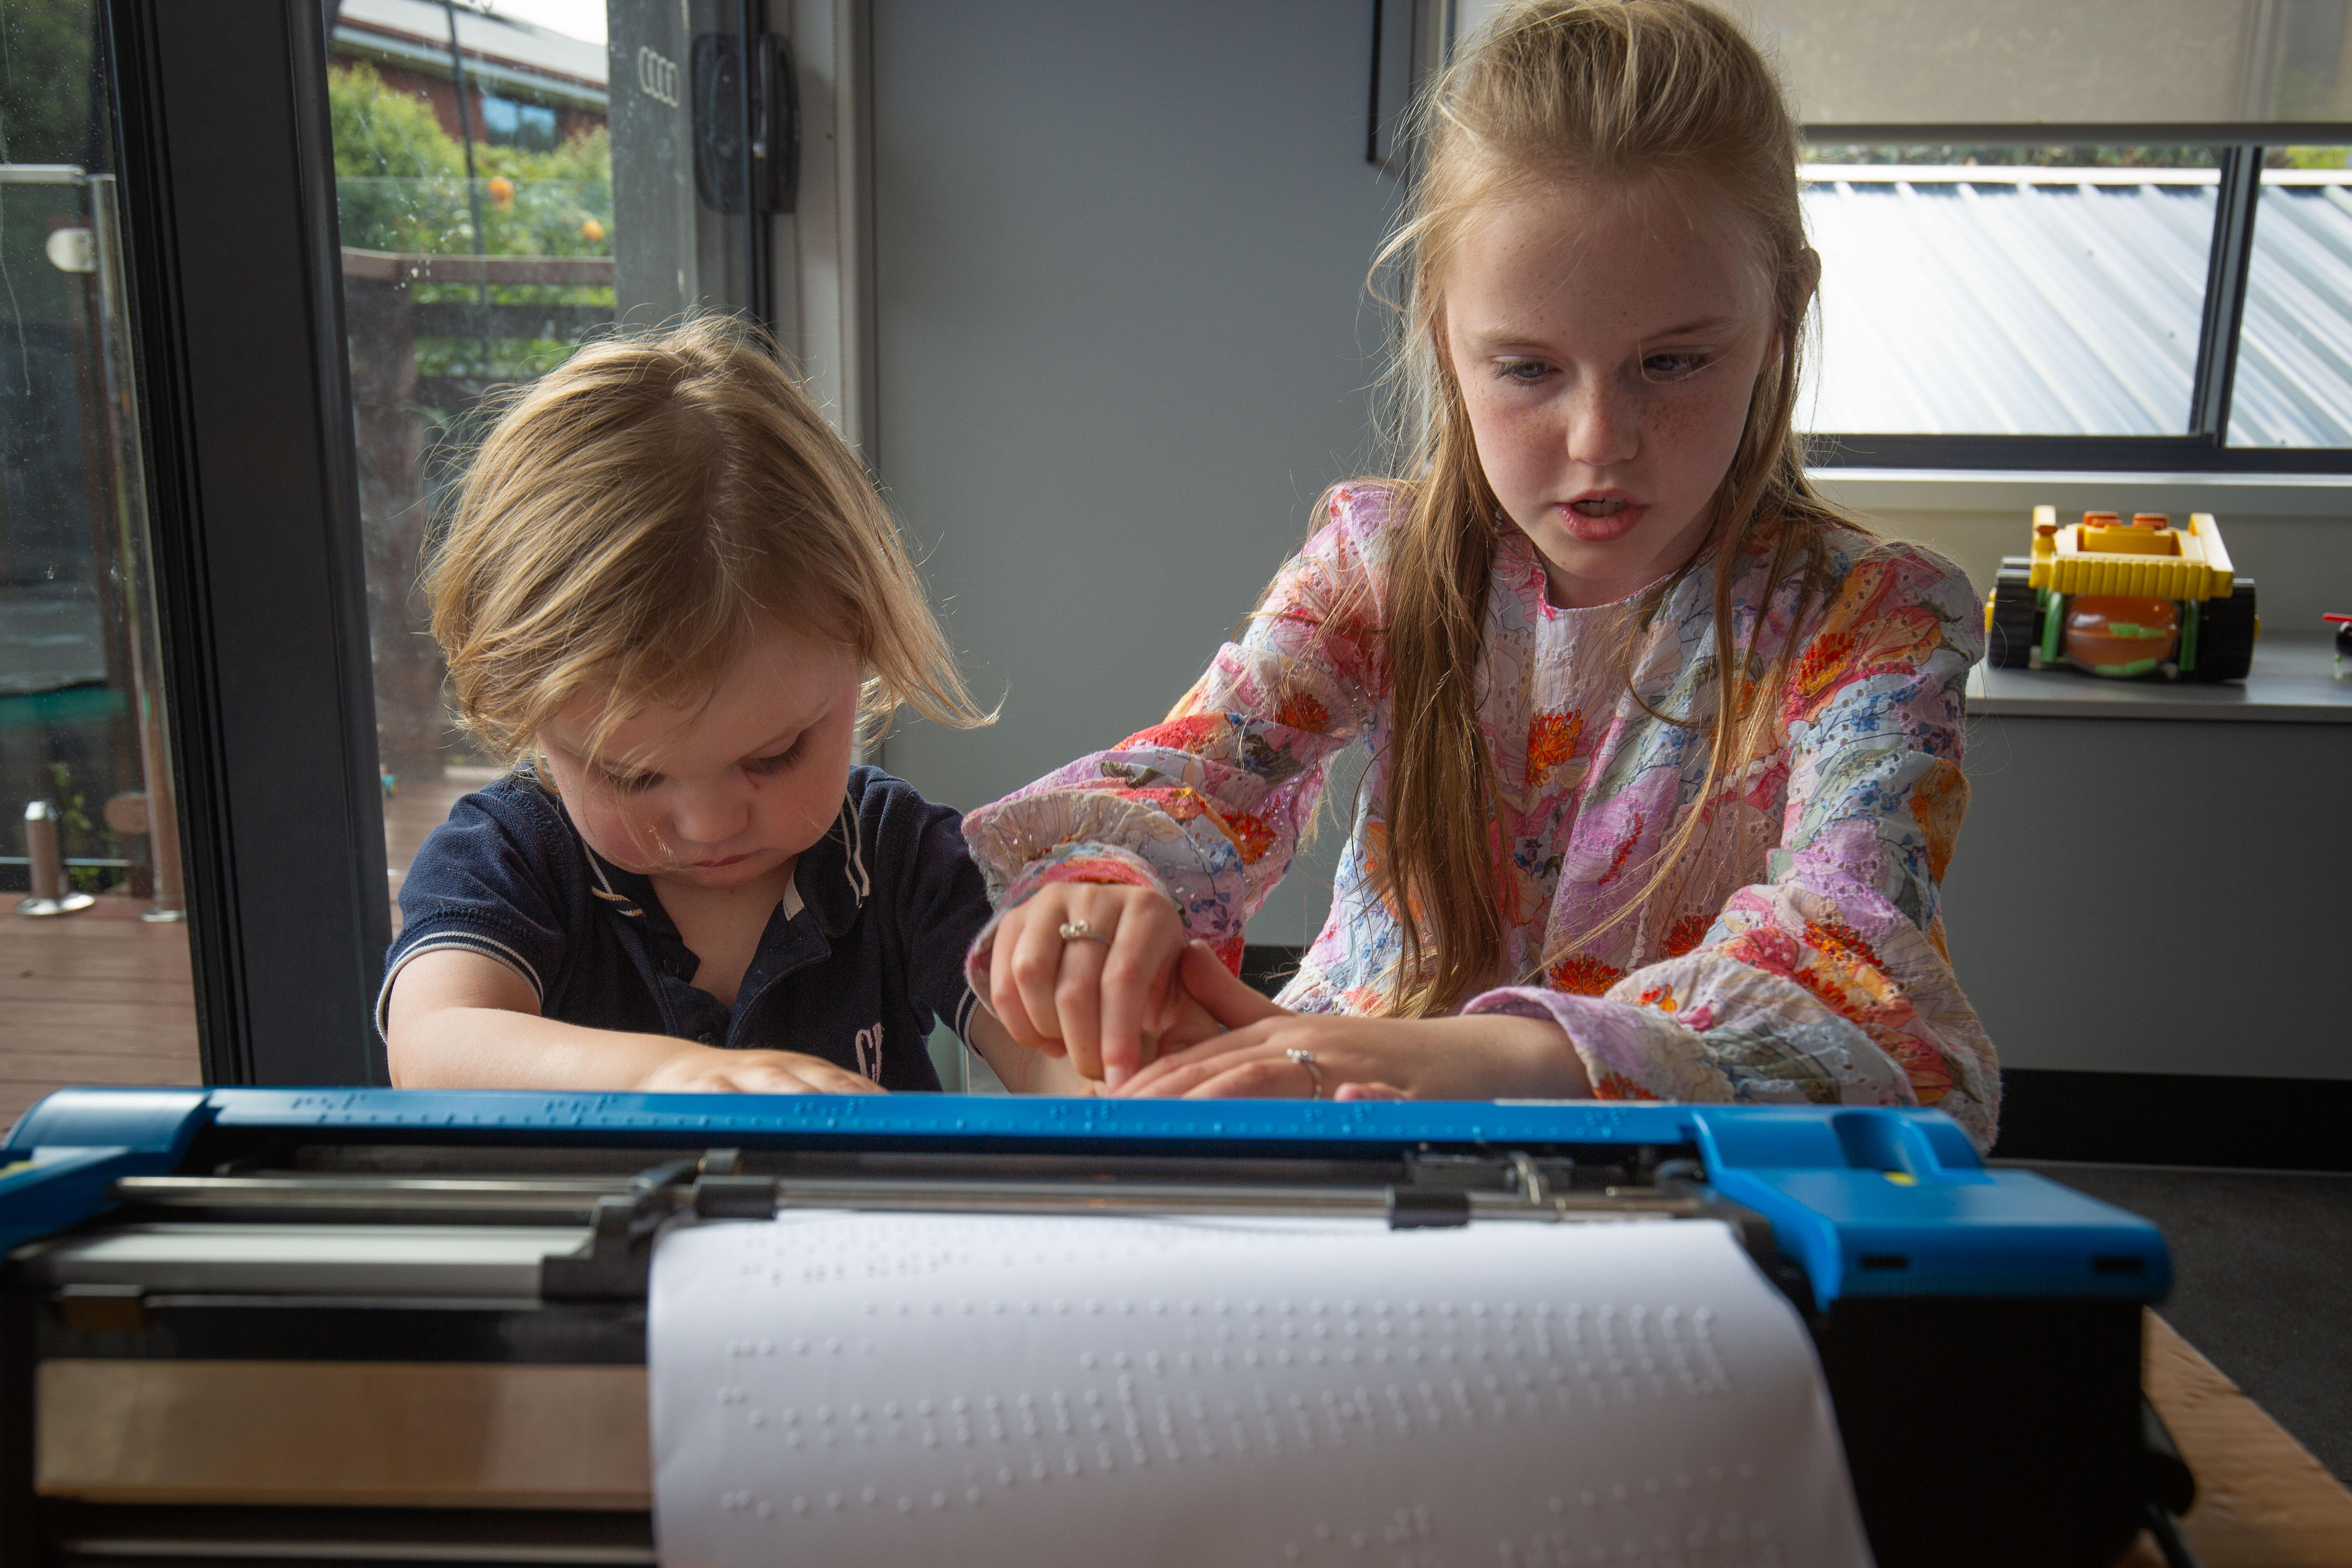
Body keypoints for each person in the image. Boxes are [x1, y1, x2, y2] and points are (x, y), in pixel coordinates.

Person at [961, 0, 1998, 1147]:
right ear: (1444, 334)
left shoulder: (1874, 623)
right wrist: (1106, 888)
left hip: (1663, 1187)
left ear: (1784, 311)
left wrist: (1480, 1056)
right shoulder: (1379, 568)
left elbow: (1855, 974)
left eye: (1672, 361)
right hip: (1340, 1127)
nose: (1599, 437)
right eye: (1527, 367)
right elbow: (1196, 776)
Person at [382, 318, 1087, 1096]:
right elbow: (436, 1044)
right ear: (530, 712)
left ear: (862, 646)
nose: (711, 826)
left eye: (773, 755)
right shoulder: (511, 856)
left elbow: (1056, 1060)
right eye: (631, 775)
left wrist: (1108, 1051)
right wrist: (673, 1076)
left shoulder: (898, 856)